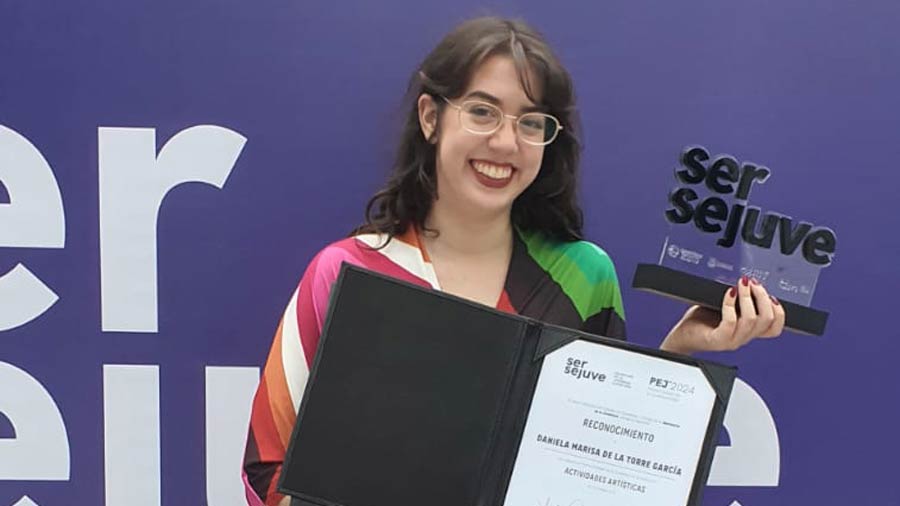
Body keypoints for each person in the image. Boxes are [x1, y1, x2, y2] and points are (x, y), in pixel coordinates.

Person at [242, 16, 784, 506]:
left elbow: (607, 471)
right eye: (482, 112)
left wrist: (682, 353)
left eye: (530, 122)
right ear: (431, 117)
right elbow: (266, 472)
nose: (505, 142)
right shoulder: (342, 274)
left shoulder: (585, 275)